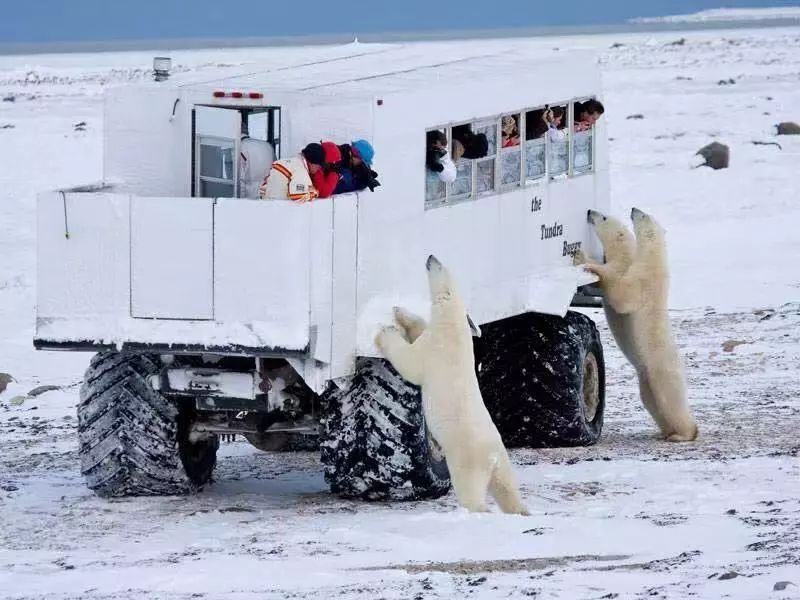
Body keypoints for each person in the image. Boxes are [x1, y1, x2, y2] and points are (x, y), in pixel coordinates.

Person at [258, 142, 323, 202]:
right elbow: (299, 196)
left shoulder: (282, 162)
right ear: (312, 162)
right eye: (319, 165)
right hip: (279, 208)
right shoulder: (300, 170)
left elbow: (263, 187)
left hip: (265, 205)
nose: (319, 168)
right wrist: (315, 192)